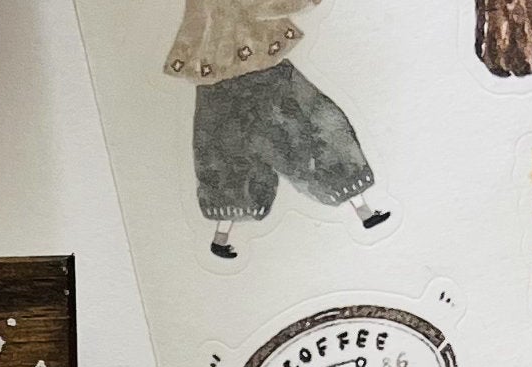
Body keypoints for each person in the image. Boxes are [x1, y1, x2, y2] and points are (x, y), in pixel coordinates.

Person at [165, 0, 388, 262]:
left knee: (229, 161)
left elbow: (194, 28)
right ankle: (363, 210)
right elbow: (263, 4)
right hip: (263, 73)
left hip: (217, 82)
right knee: (317, 130)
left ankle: (220, 238)